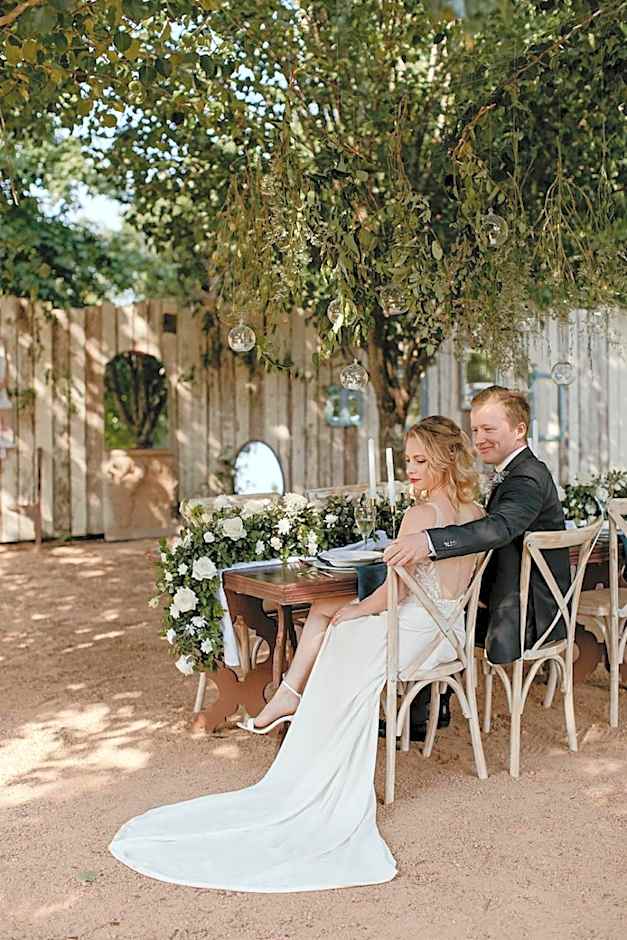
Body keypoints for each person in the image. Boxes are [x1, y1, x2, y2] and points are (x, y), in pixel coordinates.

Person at [109, 417, 484, 893]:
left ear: (444, 460)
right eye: (408, 459)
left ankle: (290, 701)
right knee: (331, 617)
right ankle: (289, 695)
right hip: (446, 634)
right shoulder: (476, 513)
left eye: (419, 461)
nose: (410, 469)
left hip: (410, 633)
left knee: (335, 624)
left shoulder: (420, 516)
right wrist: (354, 609)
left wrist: (356, 611)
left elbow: (396, 594)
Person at [383, 386, 571, 667]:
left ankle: (422, 680)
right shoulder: (518, 471)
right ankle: (433, 686)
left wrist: (428, 541)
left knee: (417, 611)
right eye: (475, 430)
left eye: (488, 429)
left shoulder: (527, 477)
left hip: (525, 617)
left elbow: (498, 528)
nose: (479, 439)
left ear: (519, 430)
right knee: (430, 606)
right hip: (504, 600)